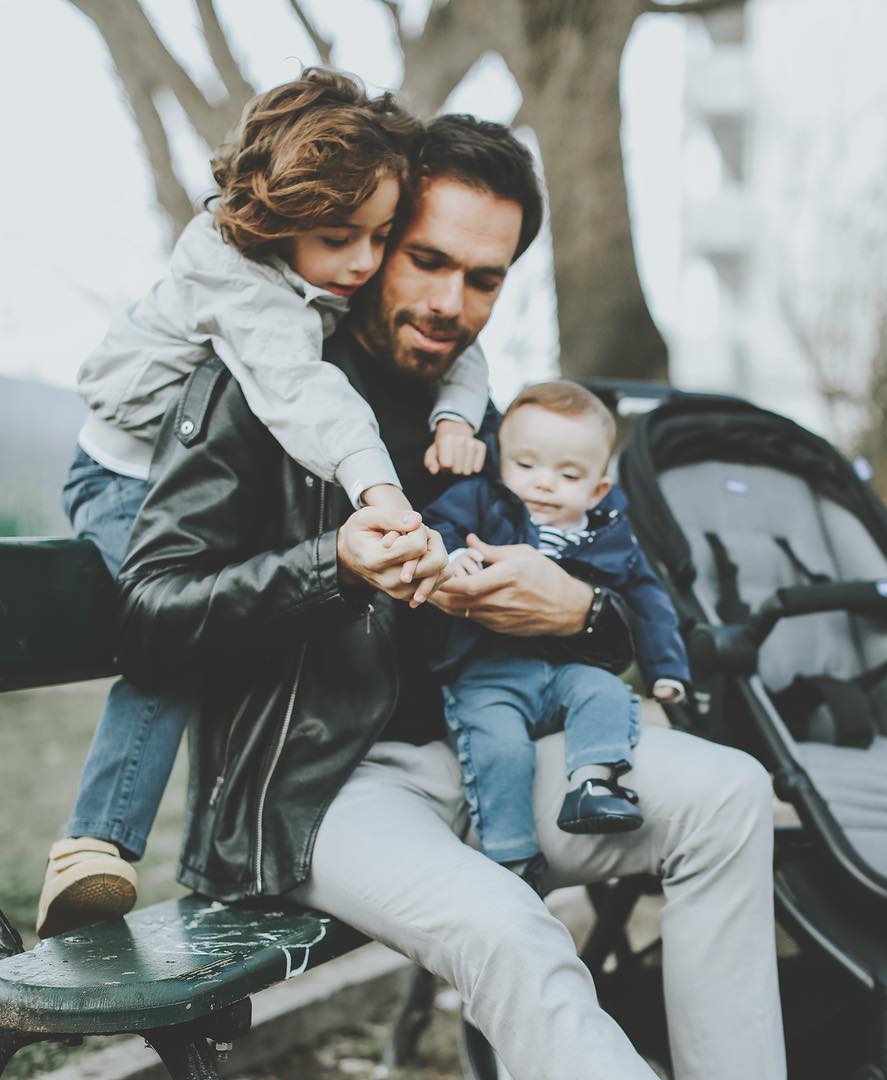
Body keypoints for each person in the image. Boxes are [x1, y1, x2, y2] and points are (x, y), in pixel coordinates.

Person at [114, 114, 786, 1079]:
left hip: (489, 754)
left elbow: (618, 592)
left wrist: (577, 612)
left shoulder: (489, 418)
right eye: (427, 258)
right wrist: (332, 564)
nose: (449, 301)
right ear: (378, 233)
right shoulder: (254, 387)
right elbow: (149, 617)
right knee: (516, 932)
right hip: (324, 796)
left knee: (729, 794)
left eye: (484, 278)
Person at [36, 69, 487, 939]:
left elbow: (466, 343)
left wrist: (459, 408)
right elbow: (300, 392)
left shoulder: (328, 271)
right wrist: (381, 490)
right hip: (127, 479)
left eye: (381, 236)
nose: (363, 261)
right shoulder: (236, 279)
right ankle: (94, 846)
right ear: (279, 220)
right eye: (339, 237)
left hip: (209, 487)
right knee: (169, 629)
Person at [424, 379, 691, 883]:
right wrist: (452, 554)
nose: (543, 483)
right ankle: (511, 854)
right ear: (501, 460)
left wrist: (666, 667)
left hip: (568, 668)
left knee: (606, 694)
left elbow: (649, 598)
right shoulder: (482, 500)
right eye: (526, 466)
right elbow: (436, 521)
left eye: (568, 474)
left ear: (598, 488)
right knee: (499, 747)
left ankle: (594, 782)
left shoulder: (610, 534)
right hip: (488, 672)